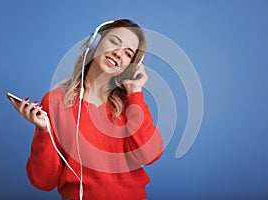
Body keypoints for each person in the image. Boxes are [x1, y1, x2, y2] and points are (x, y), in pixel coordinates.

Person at [9, 19, 163, 200]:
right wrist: (44, 132)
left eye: (128, 53)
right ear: (96, 42)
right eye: (114, 42)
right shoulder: (56, 101)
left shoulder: (131, 104)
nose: (118, 53)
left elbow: (148, 155)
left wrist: (136, 91)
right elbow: (43, 181)